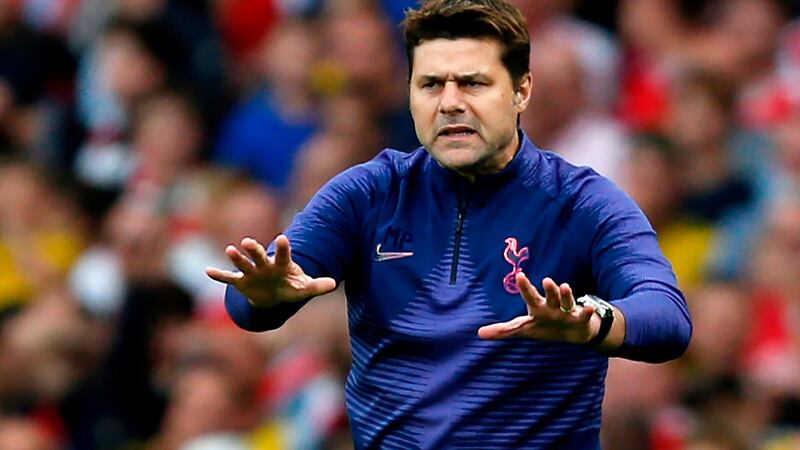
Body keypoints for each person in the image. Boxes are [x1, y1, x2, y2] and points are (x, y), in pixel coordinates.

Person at [206, 1, 692, 448]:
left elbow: (666, 316)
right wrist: (263, 293)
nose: (450, 102)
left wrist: (595, 321)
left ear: (521, 89)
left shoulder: (583, 202)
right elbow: (250, 301)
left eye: (473, 83)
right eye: (431, 84)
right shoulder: (367, 193)